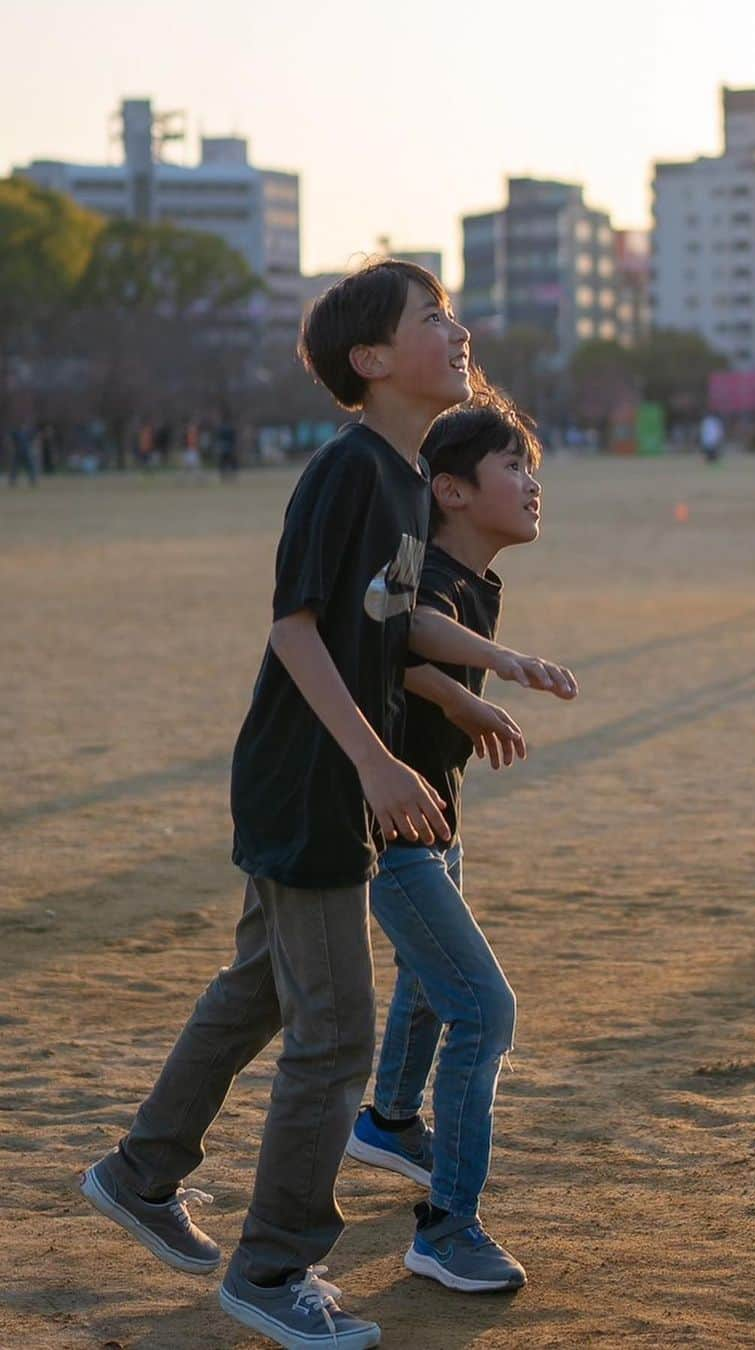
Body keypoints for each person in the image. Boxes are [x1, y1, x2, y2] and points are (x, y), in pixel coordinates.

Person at [79, 259, 576, 1350]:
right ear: (372, 361)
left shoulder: (401, 480)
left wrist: (503, 657)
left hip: (325, 778)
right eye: (430, 317)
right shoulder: (351, 472)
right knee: (335, 1032)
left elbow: (395, 627)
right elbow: (297, 628)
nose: (456, 330)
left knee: (259, 990)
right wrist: (376, 764)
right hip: (309, 780)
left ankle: (140, 1170)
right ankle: (272, 1268)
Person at [344, 391, 569, 1295]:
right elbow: (397, 636)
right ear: (449, 489)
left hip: (435, 815)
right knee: (483, 1009)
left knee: (431, 988)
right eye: (512, 466)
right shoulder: (420, 561)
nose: (530, 484)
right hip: (386, 828)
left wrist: (472, 688)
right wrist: (480, 684)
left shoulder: (477, 578)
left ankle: (391, 1121)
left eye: (531, 467)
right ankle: (447, 1227)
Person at [7, 420, 38, 486]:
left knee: (29, 467)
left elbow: (32, 440)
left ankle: (32, 481)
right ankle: (12, 481)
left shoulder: (27, 433)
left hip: (25, 453)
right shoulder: (16, 433)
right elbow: (11, 441)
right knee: (16, 467)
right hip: (19, 453)